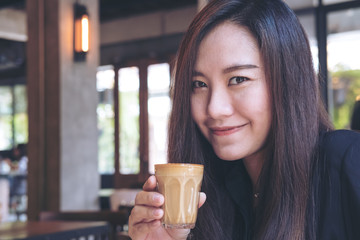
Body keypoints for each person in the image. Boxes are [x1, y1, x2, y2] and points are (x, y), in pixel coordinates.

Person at [128, 0, 360, 239]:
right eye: (199, 84)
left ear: (287, 80)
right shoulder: (211, 193)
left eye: (238, 79)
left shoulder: (346, 161)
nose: (215, 109)